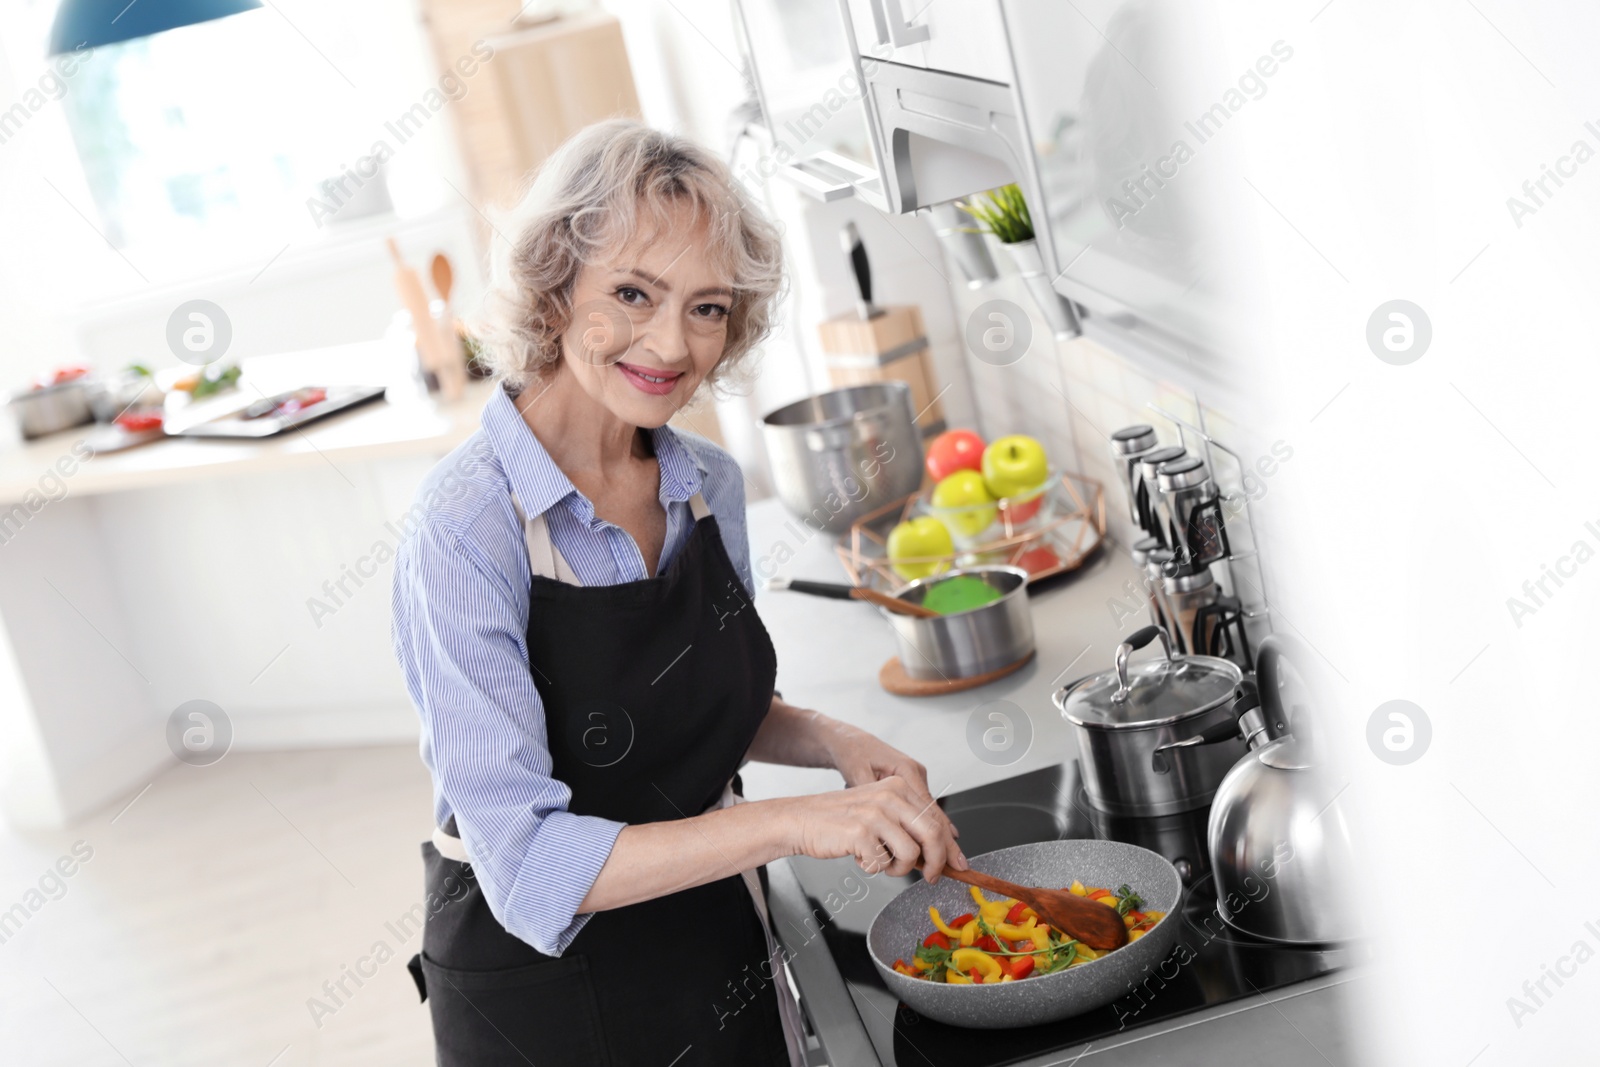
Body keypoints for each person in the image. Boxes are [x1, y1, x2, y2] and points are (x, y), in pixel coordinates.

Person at [391, 119, 965, 1067]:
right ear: (554, 284)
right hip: (545, 993)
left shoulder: (704, 481)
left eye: (706, 308)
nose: (671, 344)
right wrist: (797, 821)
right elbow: (528, 865)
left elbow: (692, 709)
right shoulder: (465, 526)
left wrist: (830, 740)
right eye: (631, 294)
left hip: (709, 929)